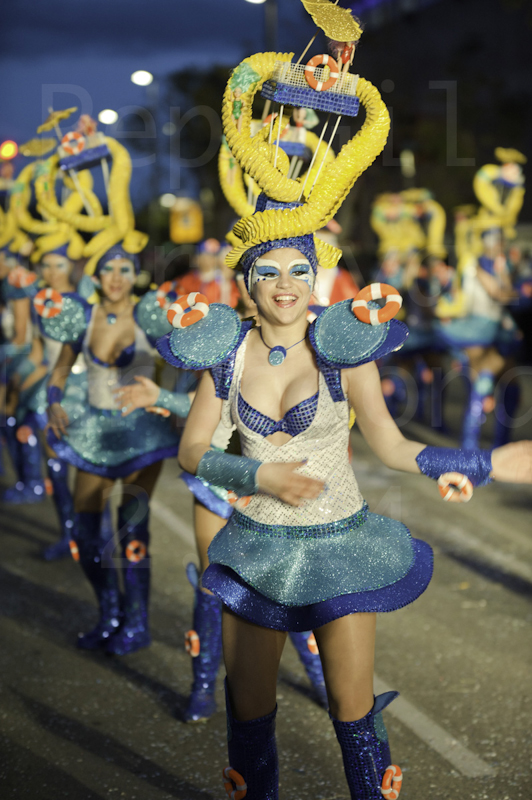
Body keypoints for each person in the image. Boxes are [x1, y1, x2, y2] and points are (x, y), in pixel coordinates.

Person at [155, 45, 532, 799]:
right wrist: (256, 474)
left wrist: (470, 463)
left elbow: (388, 443)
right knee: (250, 716)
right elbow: (193, 450)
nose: (287, 285)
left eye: (300, 270)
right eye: (269, 272)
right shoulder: (223, 351)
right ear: (246, 284)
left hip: (341, 545)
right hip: (256, 548)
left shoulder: (343, 346)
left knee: (352, 712)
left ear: (316, 277)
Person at [43, 245, 185, 655]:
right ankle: (109, 614)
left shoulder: (148, 315)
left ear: (133, 274)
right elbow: (60, 369)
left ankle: (137, 624)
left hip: (142, 436)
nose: (117, 277)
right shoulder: (82, 317)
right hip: (93, 433)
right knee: (85, 533)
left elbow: (184, 359)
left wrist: (174, 402)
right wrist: (54, 401)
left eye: (125, 269)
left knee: (131, 530)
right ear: (96, 277)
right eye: (109, 270)